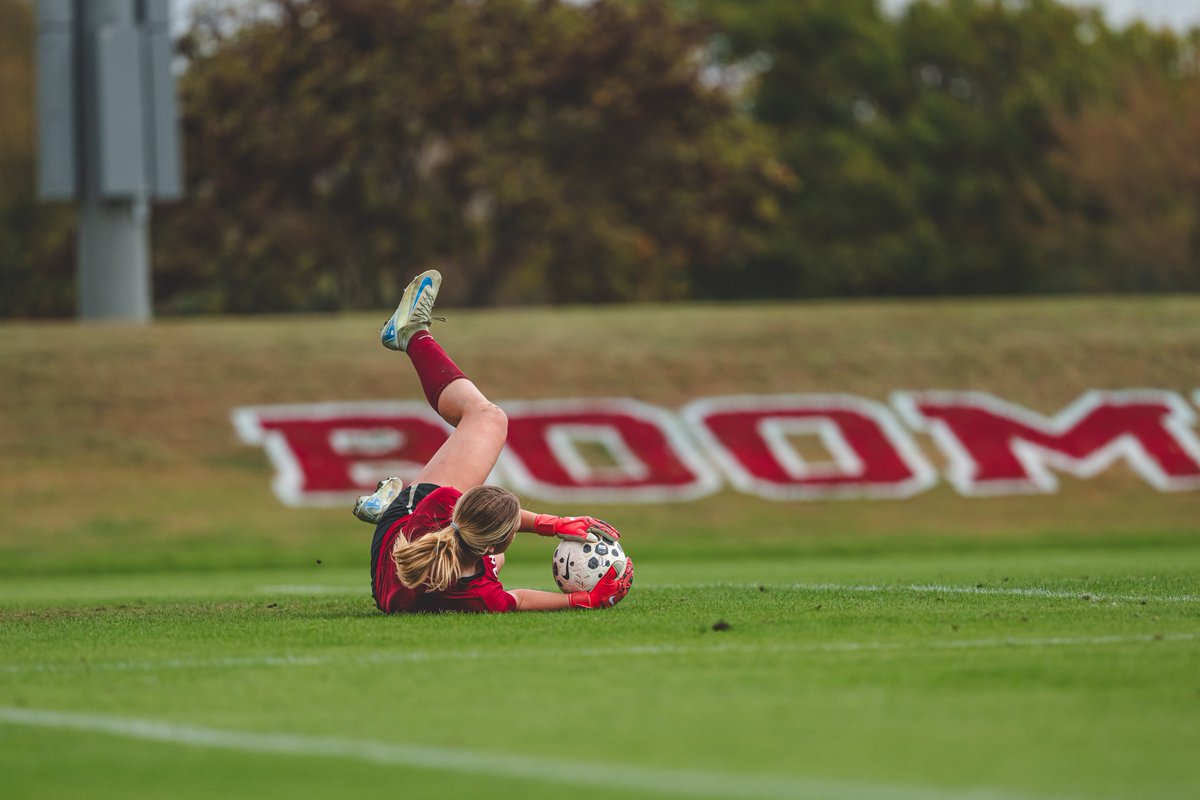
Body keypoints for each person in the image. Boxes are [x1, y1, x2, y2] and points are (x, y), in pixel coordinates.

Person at [362, 270, 634, 613]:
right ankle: (410, 332)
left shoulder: (444, 504)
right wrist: (585, 597)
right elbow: (516, 596)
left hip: (404, 538)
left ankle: (414, 334)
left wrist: (556, 527)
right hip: (388, 576)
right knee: (496, 556)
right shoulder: (480, 593)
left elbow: (483, 520)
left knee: (487, 418)